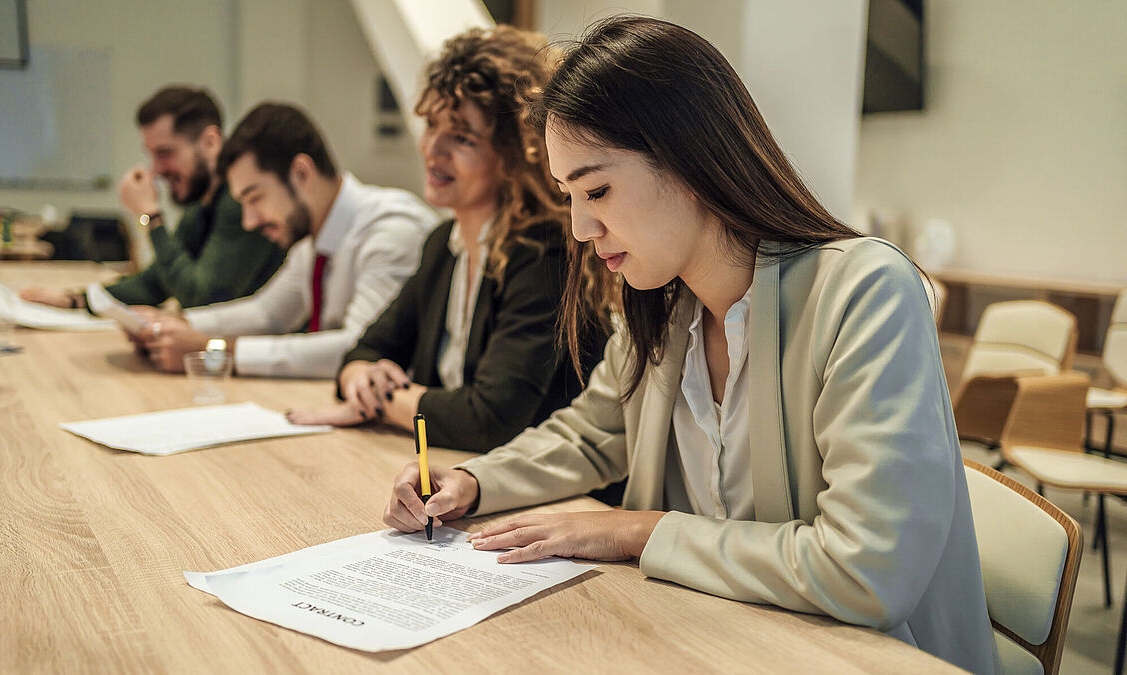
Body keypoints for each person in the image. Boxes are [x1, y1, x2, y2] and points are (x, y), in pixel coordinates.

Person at [380, 17, 997, 674]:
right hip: (719, 643)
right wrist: (474, 481)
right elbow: (591, 434)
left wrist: (634, 531)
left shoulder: (865, 292)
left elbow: (869, 570)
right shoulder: (664, 306)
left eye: (597, 190)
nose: (583, 226)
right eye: (569, 196)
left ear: (690, 160)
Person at [286, 27, 613, 454]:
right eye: (431, 126)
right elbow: (365, 350)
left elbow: (489, 419)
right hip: (451, 470)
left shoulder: (545, 251)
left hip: (548, 498)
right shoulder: (444, 243)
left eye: (461, 138)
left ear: (514, 153)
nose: (432, 150)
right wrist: (362, 377)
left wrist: (383, 400)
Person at [139, 103, 437, 377]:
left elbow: (359, 349)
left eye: (255, 197)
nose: (249, 221)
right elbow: (268, 313)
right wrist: (175, 324)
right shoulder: (313, 242)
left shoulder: (391, 230)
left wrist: (213, 350)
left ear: (301, 173)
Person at [19, 86, 285, 309]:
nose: (155, 169)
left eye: (165, 153)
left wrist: (151, 216)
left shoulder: (239, 203)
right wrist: (77, 300)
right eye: (151, 155)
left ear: (211, 142)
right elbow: (158, 281)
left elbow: (201, 298)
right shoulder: (202, 202)